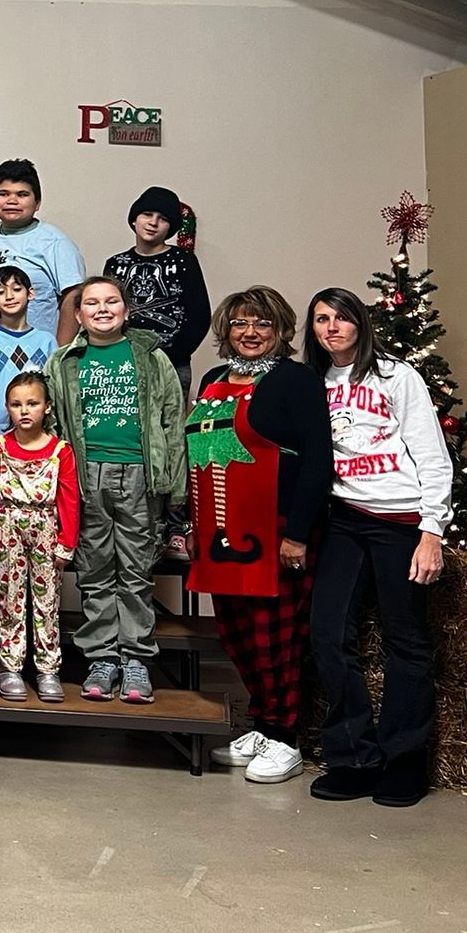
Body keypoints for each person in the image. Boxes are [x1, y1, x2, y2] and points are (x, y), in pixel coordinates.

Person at [306, 286, 450, 808]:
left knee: (405, 639)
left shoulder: (396, 376)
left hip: (401, 519)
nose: (332, 328)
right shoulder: (313, 382)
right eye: (321, 319)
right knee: (327, 632)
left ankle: (405, 760)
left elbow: (432, 456)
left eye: (341, 317)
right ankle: (353, 756)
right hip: (344, 519)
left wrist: (431, 531)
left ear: (360, 323)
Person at [187, 289, 332, 786]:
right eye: (241, 323)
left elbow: (317, 459)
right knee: (236, 633)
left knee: (278, 637)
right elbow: (201, 456)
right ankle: (262, 721)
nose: (251, 333)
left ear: (281, 331)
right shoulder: (211, 380)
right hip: (220, 531)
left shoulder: (296, 381)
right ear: (226, 328)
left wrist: (297, 533)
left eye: (263, 324)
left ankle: (285, 736)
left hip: (275, 531)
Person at [45, 276, 186, 705]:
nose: (102, 309)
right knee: (94, 570)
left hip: (140, 475)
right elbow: (53, 427)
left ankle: (136, 659)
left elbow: (172, 421)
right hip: (86, 477)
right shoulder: (64, 362)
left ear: (126, 309)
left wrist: (174, 487)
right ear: (79, 314)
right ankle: (102, 658)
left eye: (111, 301)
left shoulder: (151, 357)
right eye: (92, 303)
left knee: (136, 570)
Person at [0, 373, 79, 703]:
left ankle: (48, 669)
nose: (24, 411)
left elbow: (69, 498)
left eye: (32, 403)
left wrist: (66, 541)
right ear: (7, 408)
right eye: (16, 404)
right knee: (10, 598)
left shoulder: (60, 451)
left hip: (46, 527)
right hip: (10, 524)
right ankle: (9, 667)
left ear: (47, 407)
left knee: (47, 601)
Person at [0, 159, 85, 345]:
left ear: (37, 202)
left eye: (22, 194)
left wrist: (58, 354)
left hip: (33, 353)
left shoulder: (54, 242)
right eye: (3, 194)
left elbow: (74, 296)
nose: (12, 200)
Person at [104, 187, 210, 398]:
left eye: (162, 218)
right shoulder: (116, 264)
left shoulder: (183, 261)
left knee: (167, 426)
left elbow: (199, 317)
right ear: (134, 219)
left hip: (171, 363)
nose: (153, 222)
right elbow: (106, 313)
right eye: (147, 214)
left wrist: (169, 355)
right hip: (123, 361)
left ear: (170, 227)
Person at [0, 265, 57, 438]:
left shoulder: (47, 341)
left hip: (39, 433)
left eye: (16, 289)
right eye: (1, 292)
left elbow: (54, 392)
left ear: (30, 293)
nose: (9, 297)